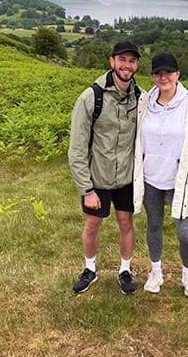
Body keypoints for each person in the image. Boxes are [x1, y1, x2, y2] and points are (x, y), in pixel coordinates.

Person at [68, 42, 146, 294]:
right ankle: (90, 269)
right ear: (111, 61)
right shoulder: (91, 97)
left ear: (137, 65)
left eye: (132, 61)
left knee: (126, 223)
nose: (127, 65)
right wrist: (86, 188)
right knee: (92, 224)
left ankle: (125, 270)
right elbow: (77, 149)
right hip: (98, 179)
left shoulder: (141, 98)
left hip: (126, 178)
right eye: (122, 59)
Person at [132, 52, 188, 297]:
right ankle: (155, 271)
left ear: (178, 74)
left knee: (185, 234)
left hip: (182, 181)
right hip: (151, 178)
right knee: (153, 225)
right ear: (153, 76)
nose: (163, 77)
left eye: (168, 72)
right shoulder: (144, 103)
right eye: (158, 73)